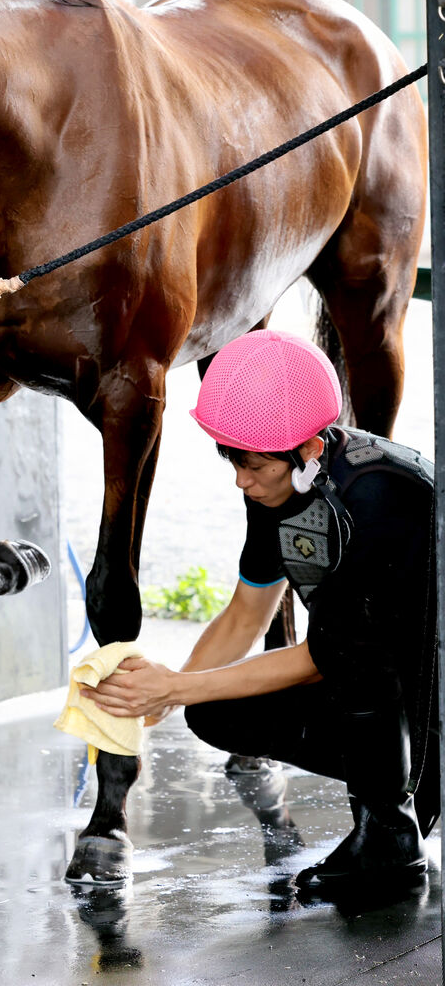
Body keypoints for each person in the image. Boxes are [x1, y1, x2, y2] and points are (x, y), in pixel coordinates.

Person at [81, 329, 439, 892]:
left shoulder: (379, 495)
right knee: (214, 709)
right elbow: (246, 614)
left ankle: (392, 842)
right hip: (387, 691)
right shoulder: (281, 489)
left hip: (427, 694)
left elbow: (323, 658)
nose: (242, 481)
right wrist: (161, 694)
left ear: (310, 450)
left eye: (252, 466)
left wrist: (174, 688)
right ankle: (389, 803)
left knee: (355, 662)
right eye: (234, 464)